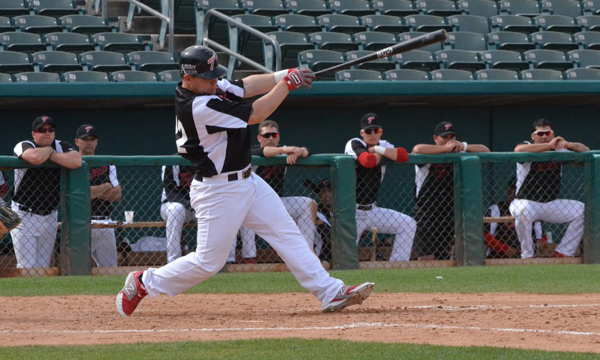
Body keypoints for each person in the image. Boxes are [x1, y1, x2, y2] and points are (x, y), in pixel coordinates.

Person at [116, 45, 373, 316]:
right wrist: (287, 85)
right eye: (208, 77)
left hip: (248, 181)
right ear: (187, 78)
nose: (215, 81)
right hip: (218, 189)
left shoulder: (209, 88)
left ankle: (329, 291)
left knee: (287, 233)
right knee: (209, 262)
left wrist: (285, 74)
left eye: (216, 75)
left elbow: (246, 85)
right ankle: (143, 282)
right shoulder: (198, 105)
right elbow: (255, 113)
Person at [236, 120, 318, 264]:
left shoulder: (285, 149)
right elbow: (263, 152)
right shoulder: (251, 151)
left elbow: (308, 151)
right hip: (253, 203)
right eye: (266, 135)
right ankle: (249, 258)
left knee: (308, 203)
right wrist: (284, 151)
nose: (270, 138)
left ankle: (307, 256)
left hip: (277, 202)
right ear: (259, 138)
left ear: (279, 137)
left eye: (274, 135)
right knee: (245, 212)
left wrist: (298, 151)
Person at [510, 119, 589, 259]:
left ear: (553, 134)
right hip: (526, 202)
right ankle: (527, 254)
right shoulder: (528, 145)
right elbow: (518, 150)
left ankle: (563, 252)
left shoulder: (558, 149)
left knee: (583, 210)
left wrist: (568, 144)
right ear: (533, 136)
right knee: (522, 210)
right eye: (540, 133)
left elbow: (586, 151)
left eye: (548, 133)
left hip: (550, 203)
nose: (544, 136)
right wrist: (548, 146)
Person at [11, 116, 82, 268]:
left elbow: (77, 160)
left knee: (43, 266)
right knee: (27, 265)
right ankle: (25, 293)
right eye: (42, 130)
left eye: (51, 130)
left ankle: (39, 293)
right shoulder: (24, 144)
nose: (47, 133)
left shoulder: (60, 145)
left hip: (50, 214)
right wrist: (50, 151)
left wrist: (51, 154)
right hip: (24, 214)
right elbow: (35, 158)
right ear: (34, 134)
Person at [412, 121, 490, 260]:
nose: (449, 141)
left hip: (451, 212)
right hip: (427, 212)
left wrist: (463, 146)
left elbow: (486, 150)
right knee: (426, 259)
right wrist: (446, 150)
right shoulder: (429, 154)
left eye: (451, 137)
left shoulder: (458, 153)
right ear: (435, 138)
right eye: (444, 137)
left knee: (448, 258)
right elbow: (417, 149)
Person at [344, 113, 415, 262]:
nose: (372, 134)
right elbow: (368, 161)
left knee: (408, 224)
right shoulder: (354, 143)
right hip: (351, 212)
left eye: (375, 131)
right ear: (361, 133)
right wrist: (379, 153)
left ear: (380, 132)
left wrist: (378, 150)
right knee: (345, 259)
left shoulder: (383, 145)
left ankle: (397, 265)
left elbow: (403, 156)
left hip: (372, 211)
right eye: (368, 131)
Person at [75, 124, 122, 267]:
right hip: (79, 223)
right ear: (77, 141)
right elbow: (81, 195)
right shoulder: (72, 164)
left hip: (105, 222)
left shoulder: (107, 163)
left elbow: (118, 195)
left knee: (110, 268)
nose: (89, 142)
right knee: (78, 269)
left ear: (97, 142)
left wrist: (92, 191)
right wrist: (106, 187)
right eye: (85, 139)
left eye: (92, 139)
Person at [484, 178, 545, 258]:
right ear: (508, 191)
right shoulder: (497, 209)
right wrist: (505, 249)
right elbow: (486, 235)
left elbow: (541, 238)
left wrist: (534, 247)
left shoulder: (532, 210)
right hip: (499, 256)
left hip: (526, 256)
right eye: (516, 189)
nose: (520, 193)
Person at [160, 160, 196, 263]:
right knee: (177, 209)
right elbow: (171, 193)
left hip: (196, 206)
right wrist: (190, 205)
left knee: (215, 209)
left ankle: (220, 259)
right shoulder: (172, 162)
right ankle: (173, 261)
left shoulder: (203, 159)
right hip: (170, 205)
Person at [304, 178, 332, 262]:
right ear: (319, 195)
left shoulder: (342, 211)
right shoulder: (316, 213)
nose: (326, 194)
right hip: (323, 254)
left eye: (329, 191)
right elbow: (327, 235)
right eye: (323, 192)